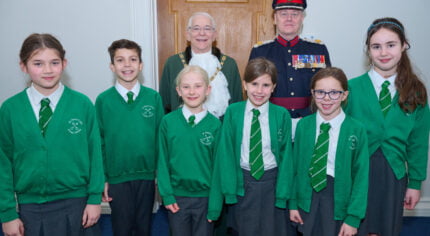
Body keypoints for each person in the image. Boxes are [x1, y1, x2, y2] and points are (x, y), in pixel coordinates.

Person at [0, 33, 104, 236]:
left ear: (64, 64)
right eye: (38, 63)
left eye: (54, 63)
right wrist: (7, 213)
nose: (47, 70)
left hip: (78, 204)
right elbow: (3, 164)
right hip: (30, 207)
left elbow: (96, 156)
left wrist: (94, 199)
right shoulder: (10, 109)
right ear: (24, 66)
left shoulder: (82, 104)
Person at [344, 18, 430, 236]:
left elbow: (418, 142)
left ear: (404, 46)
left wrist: (416, 182)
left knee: (385, 229)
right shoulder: (350, 89)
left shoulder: (416, 92)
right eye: (376, 46)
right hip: (357, 173)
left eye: (390, 45)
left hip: (393, 174)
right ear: (368, 50)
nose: (383, 52)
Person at [213, 57, 293, 235]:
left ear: (273, 88)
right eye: (254, 84)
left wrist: (282, 193)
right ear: (244, 85)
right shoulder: (233, 112)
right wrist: (229, 190)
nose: (259, 90)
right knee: (244, 229)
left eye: (266, 85)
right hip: (243, 183)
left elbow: (286, 156)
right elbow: (225, 153)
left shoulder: (281, 115)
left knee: (272, 230)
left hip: (271, 183)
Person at [286, 67, 369, 236]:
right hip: (307, 198)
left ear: (344, 95)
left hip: (338, 198)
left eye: (334, 93)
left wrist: (353, 217)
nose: (326, 99)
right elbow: (295, 168)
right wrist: (293, 203)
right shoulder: (304, 126)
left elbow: (361, 177)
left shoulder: (356, 129)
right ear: (312, 93)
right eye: (320, 92)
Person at [95, 39, 164, 236]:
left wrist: (161, 177)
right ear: (112, 66)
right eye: (120, 60)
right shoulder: (103, 101)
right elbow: (98, 142)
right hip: (117, 178)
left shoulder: (153, 98)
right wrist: (104, 179)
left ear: (140, 65)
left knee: (144, 226)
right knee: (121, 227)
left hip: (147, 176)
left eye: (133, 59)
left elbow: (161, 139)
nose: (127, 65)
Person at [157, 65, 222, 236]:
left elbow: (218, 169)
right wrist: (167, 195)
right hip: (177, 199)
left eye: (198, 86)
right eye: (186, 87)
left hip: (206, 200)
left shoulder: (215, 125)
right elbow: (162, 162)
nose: (192, 91)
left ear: (208, 90)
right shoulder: (168, 122)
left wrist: (215, 203)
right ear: (178, 91)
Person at [249, 0, 331, 135]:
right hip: (271, 122)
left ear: (302, 18)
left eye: (295, 14)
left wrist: (309, 115)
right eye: (283, 14)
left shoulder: (317, 50)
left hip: (310, 121)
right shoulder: (260, 51)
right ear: (275, 19)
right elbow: (253, 91)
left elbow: (327, 88)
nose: (289, 19)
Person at [160, 12, 242, 118]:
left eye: (207, 28)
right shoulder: (172, 63)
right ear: (188, 35)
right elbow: (164, 104)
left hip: (220, 131)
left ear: (215, 35)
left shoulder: (229, 64)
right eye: (196, 28)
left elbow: (236, 106)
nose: (202, 33)